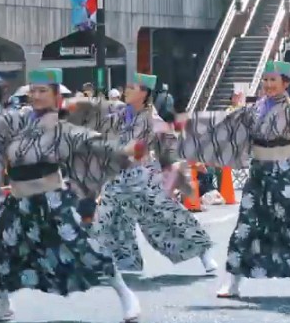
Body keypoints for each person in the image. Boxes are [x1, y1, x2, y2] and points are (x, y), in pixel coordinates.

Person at [0, 68, 143, 323]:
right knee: (1, 252)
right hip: (18, 201)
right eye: (34, 91)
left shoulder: (61, 126)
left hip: (52, 201)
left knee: (81, 250)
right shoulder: (17, 119)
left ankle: (125, 294)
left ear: (54, 97)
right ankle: (2, 305)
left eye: (43, 91)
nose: (36, 96)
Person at [177, 61, 290, 298]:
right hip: (259, 174)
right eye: (265, 80)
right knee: (245, 226)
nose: (268, 85)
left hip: (286, 173)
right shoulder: (254, 109)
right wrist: (189, 127)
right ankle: (233, 281)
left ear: (286, 84)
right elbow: (224, 124)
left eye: (273, 80)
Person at [68, 73, 216, 274]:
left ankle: (203, 252)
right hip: (117, 179)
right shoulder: (117, 114)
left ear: (144, 93)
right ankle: (125, 262)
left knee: (167, 217)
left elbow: (170, 148)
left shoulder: (152, 119)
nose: (126, 91)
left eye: (132, 88)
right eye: (126, 87)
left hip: (145, 178)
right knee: (107, 220)